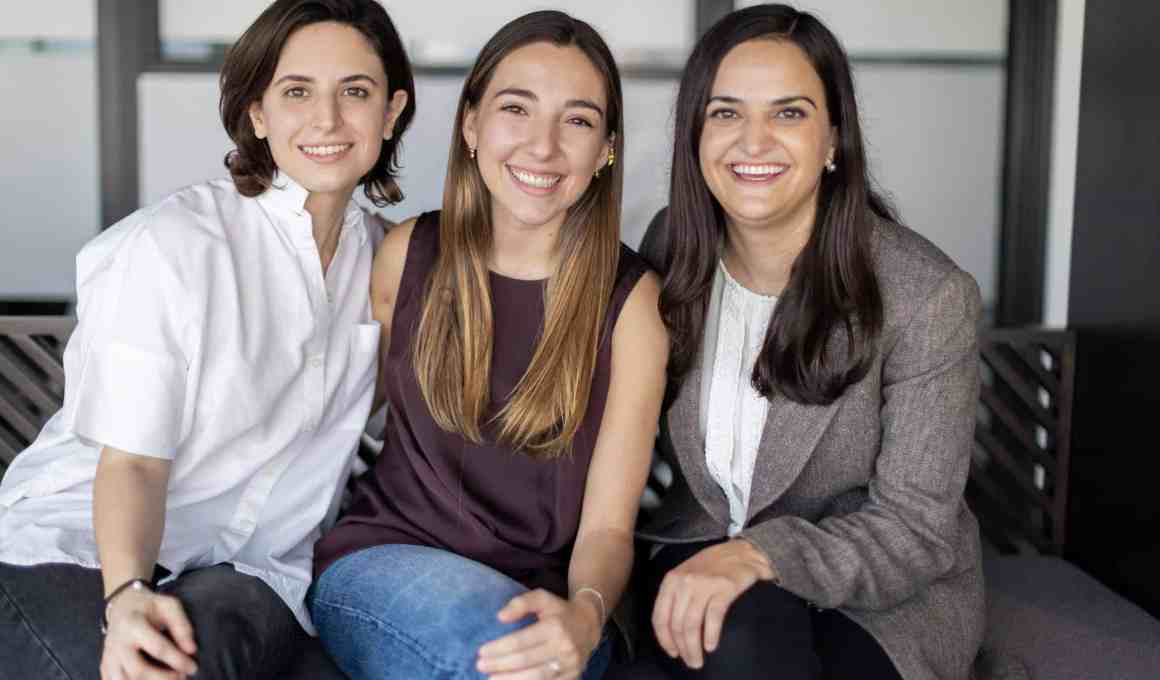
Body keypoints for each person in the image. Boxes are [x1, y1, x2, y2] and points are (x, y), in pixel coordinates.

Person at [0, 1, 415, 678]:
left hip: (249, 572)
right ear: (258, 113)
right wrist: (127, 597)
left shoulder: (387, 266)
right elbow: (133, 463)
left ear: (391, 112)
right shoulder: (175, 244)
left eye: (356, 92)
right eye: (297, 91)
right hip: (82, 551)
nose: (328, 119)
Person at [308, 10, 668, 680]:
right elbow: (326, 421)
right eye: (516, 109)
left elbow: (608, 528)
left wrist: (586, 616)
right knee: (492, 658)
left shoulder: (632, 303)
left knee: (533, 660)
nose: (543, 146)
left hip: (542, 593)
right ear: (471, 126)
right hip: (384, 561)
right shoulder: (405, 255)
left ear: (606, 150)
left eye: (578, 120)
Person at [635, 5, 984, 680]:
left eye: (789, 113)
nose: (753, 141)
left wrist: (761, 555)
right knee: (736, 643)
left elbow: (913, 528)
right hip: (701, 551)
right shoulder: (671, 246)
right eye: (726, 112)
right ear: (696, 134)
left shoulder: (926, 295)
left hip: (878, 591)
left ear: (833, 140)